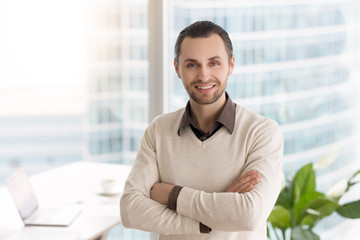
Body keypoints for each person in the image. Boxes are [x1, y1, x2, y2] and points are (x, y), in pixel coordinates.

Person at [120, 20, 283, 240]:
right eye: (192, 65)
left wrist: (172, 195)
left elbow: (250, 215)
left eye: (214, 63)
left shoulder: (262, 132)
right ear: (177, 68)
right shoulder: (158, 131)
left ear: (231, 65)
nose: (204, 76)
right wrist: (210, 219)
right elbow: (131, 211)